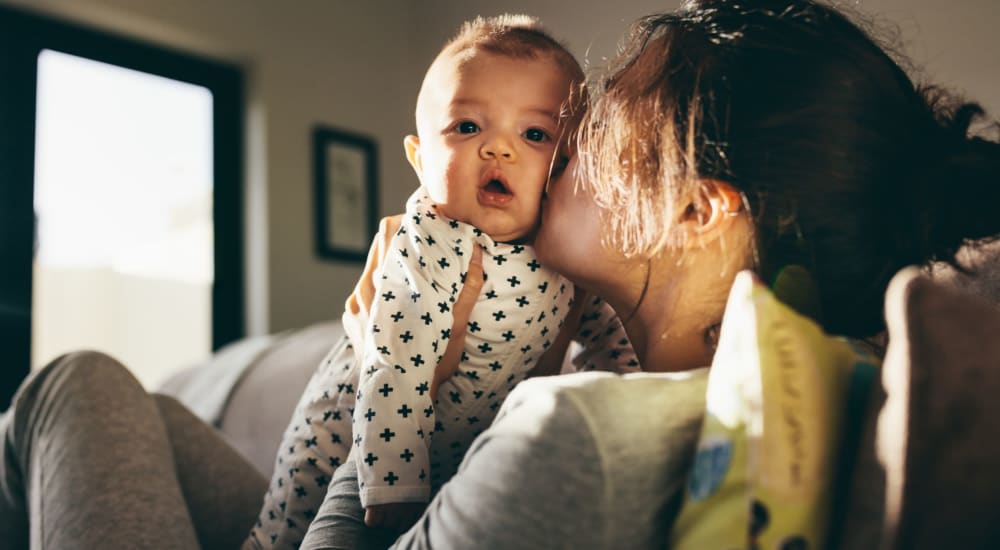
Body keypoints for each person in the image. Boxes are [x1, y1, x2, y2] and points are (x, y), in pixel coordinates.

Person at [2, 0, 998, 548]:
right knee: (136, 408)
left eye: (592, 126)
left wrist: (410, 372)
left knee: (71, 386)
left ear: (699, 207)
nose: (553, 152)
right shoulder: (797, 379)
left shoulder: (576, 441)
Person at [248, 14, 636, 549]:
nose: (499, 149)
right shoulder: (434, 235)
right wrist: (392, 483)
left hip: (448, 455)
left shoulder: (562, 252)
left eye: (535, 134)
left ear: (569, 161)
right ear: (420, 157)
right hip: (348, 440)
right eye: (468, 127)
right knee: (281, 531)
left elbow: (610, 339)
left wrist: (625, 396)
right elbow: (397, 359)